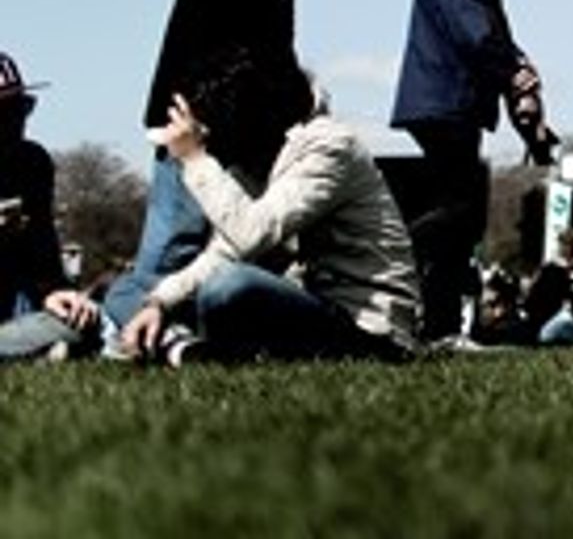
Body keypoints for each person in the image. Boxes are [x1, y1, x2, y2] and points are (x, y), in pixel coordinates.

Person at [106, 0, 309, 333]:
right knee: (170, 253)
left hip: (228, 131)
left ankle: (173, 333)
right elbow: (249, 55)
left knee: (228, 245)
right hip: (203, 130)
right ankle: (128, 329)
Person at [119, 47, 419, 364]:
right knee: (130, 290)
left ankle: (186, 349)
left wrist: (195, 159)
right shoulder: (260, 153)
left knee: (229, 286)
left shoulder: (329, 146)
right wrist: (157, 303)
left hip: (366, 330)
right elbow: (226, 251)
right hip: (307, 309)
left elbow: (251, 235)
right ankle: (183, 348)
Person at [392, 0, 551, 344]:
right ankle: (396, 250)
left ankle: (440, 326)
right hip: (443, 102)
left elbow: (494, 35)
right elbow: (475, 35)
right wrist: (512, 71)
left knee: (461, 217)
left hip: (457, 103)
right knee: (459, 212)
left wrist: (520, 73)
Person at [0, 53, 101, 363]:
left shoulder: (32, 163)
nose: (16, 121)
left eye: (20, 107)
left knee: (82, 321)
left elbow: (41, 243)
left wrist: (54, 291)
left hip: (17, 298)